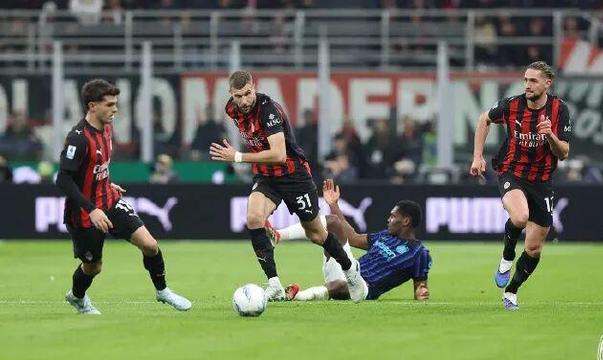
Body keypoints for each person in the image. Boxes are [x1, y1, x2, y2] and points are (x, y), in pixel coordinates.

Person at [209, 71, 358, 301]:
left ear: (254, 87)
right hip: (266, 177)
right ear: (231, 94)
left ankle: (350, 270)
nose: (244, 100)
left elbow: (279, 155)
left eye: (248, 93)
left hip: (293, 176)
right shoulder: (232, 109)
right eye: (238, 96)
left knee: (317, 234)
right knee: (254, 218)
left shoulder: (268, 110)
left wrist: (238, 156)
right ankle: (274, 284)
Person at [56, 79, 191, 315]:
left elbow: (96, 167)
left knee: (150, 245)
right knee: (93, 267)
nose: (115, 109)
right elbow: (63, 179)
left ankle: (162, 291)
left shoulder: (107, 129)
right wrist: (91, 209)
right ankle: (77, 297)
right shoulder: (78, 138)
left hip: (109, 200)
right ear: (92, 106)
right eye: (109, 104)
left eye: (116, 104)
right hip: (85, 213)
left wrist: (106, 183)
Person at [470, 61, 571, 311]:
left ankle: (511, 291)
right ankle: (507, 256)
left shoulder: (559, 109)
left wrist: (550, 136)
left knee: (534, 248)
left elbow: (564, 153)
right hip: (512, 172)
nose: (527, 85)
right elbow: (484, 119)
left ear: (547, 83)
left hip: (542, 181)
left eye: (533, 80)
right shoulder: (512, 105)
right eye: (525, 79)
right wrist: (477, 156)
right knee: (520, 216)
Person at [266, 179, 431, 302]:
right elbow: (353, 239)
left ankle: (294, 296)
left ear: (406, 221)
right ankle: (278, 236)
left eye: (393, 216)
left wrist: (421, 293)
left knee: (341, 285)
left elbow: (420, 287)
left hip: (363, 289)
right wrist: (334, 205)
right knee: (332, 222)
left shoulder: (419, 253)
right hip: (348, 270)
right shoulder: (386, 236)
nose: (389, 220)